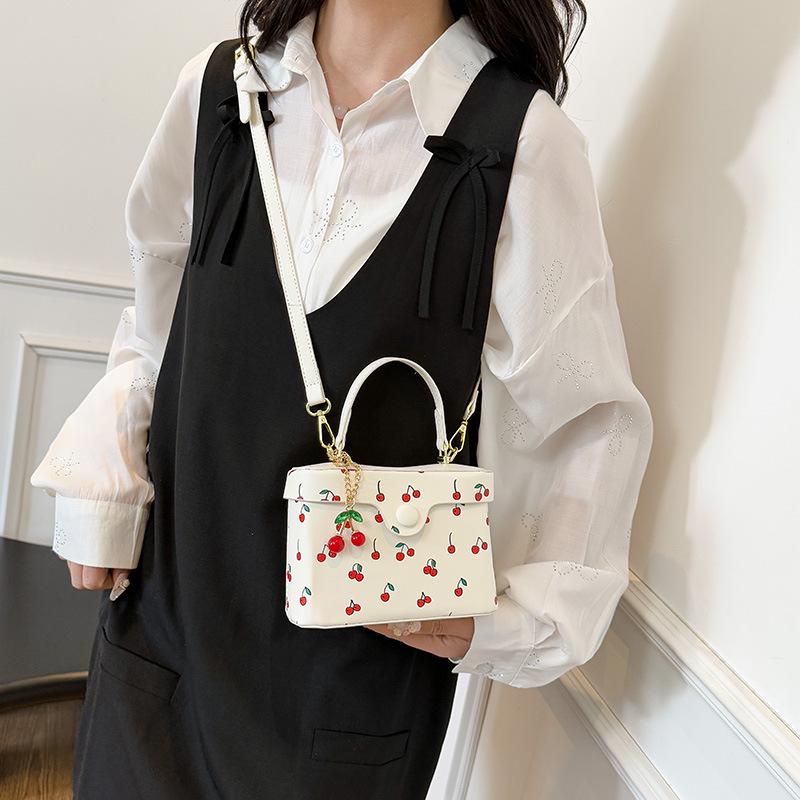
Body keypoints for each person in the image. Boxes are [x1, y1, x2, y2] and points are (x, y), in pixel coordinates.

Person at [29, 1, 654, 798]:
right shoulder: (220, 91)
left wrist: (516, 621)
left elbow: (588, 422)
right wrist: (105, 491)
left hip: (348, 705)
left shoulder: (520, 141)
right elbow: (157, 333)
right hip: (160, 648)